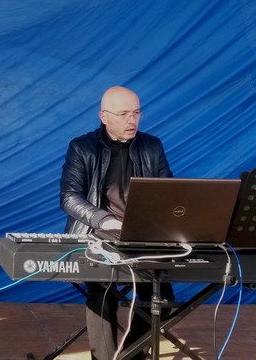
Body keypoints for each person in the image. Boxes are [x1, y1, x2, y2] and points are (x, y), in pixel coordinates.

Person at [60, 86, 174, 360]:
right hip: (98, 235)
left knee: (163, 299)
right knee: (102, 294)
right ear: (103, 116)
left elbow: (168, 192)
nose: (132, 120)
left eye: (136, 113)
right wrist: (104, 220)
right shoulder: (82, 147)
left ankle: (128, 355)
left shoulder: (152, 145)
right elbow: (69, 197)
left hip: (143, 236)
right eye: (123, 114)